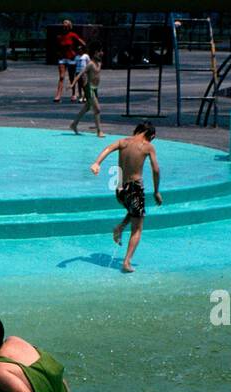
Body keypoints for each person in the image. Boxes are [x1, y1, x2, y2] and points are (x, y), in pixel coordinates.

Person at [91, 121, 162, 273]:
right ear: (151, 135)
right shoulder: (147, 146)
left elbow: (108, 148)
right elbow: (156, 169)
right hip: (135, 188)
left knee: (135, 211)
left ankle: (120, 227)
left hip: (120, 190)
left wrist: (97, 163)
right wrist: (156, 191)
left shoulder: (123, 142)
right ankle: (127, 262)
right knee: (137, 228)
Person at [70, 47, 104, 135]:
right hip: (89, 88)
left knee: (87, 107)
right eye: (100, 51)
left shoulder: (99, 63)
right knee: (97, 109)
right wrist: (72, 84)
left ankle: (74, 124)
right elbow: (80, 74)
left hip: (95, 88)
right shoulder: (90, 64)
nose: (102, 53)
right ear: (95, 53)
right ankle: (99, 131)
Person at [53, 19, 86, 102]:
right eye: (63, 26)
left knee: (72, 77)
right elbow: (56, 47)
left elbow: (83, 43)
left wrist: (79, 51)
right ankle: (58, 95)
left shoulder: (72, 35)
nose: (64, 28)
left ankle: (73, 94)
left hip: (71, 58)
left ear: (69, 27)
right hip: (62, 59)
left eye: (66, 26)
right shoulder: (59, 36)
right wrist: (58, 54)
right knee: (61, 77)